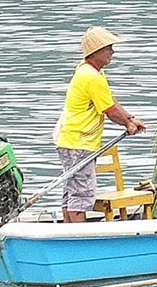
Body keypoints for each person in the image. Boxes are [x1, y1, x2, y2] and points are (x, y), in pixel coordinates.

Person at [54, 26, 146, 223]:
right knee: (81, 196)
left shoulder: (92, 72)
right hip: (79, 143)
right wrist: (126, 124)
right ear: (95, 52)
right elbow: (110, 110)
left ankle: (69, 234)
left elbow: (109, 100)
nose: (112, 52)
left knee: (72, 192)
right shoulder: (90, 77)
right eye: (108, 48)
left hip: (72, 140)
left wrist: (129, 118)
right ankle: (78, 238)